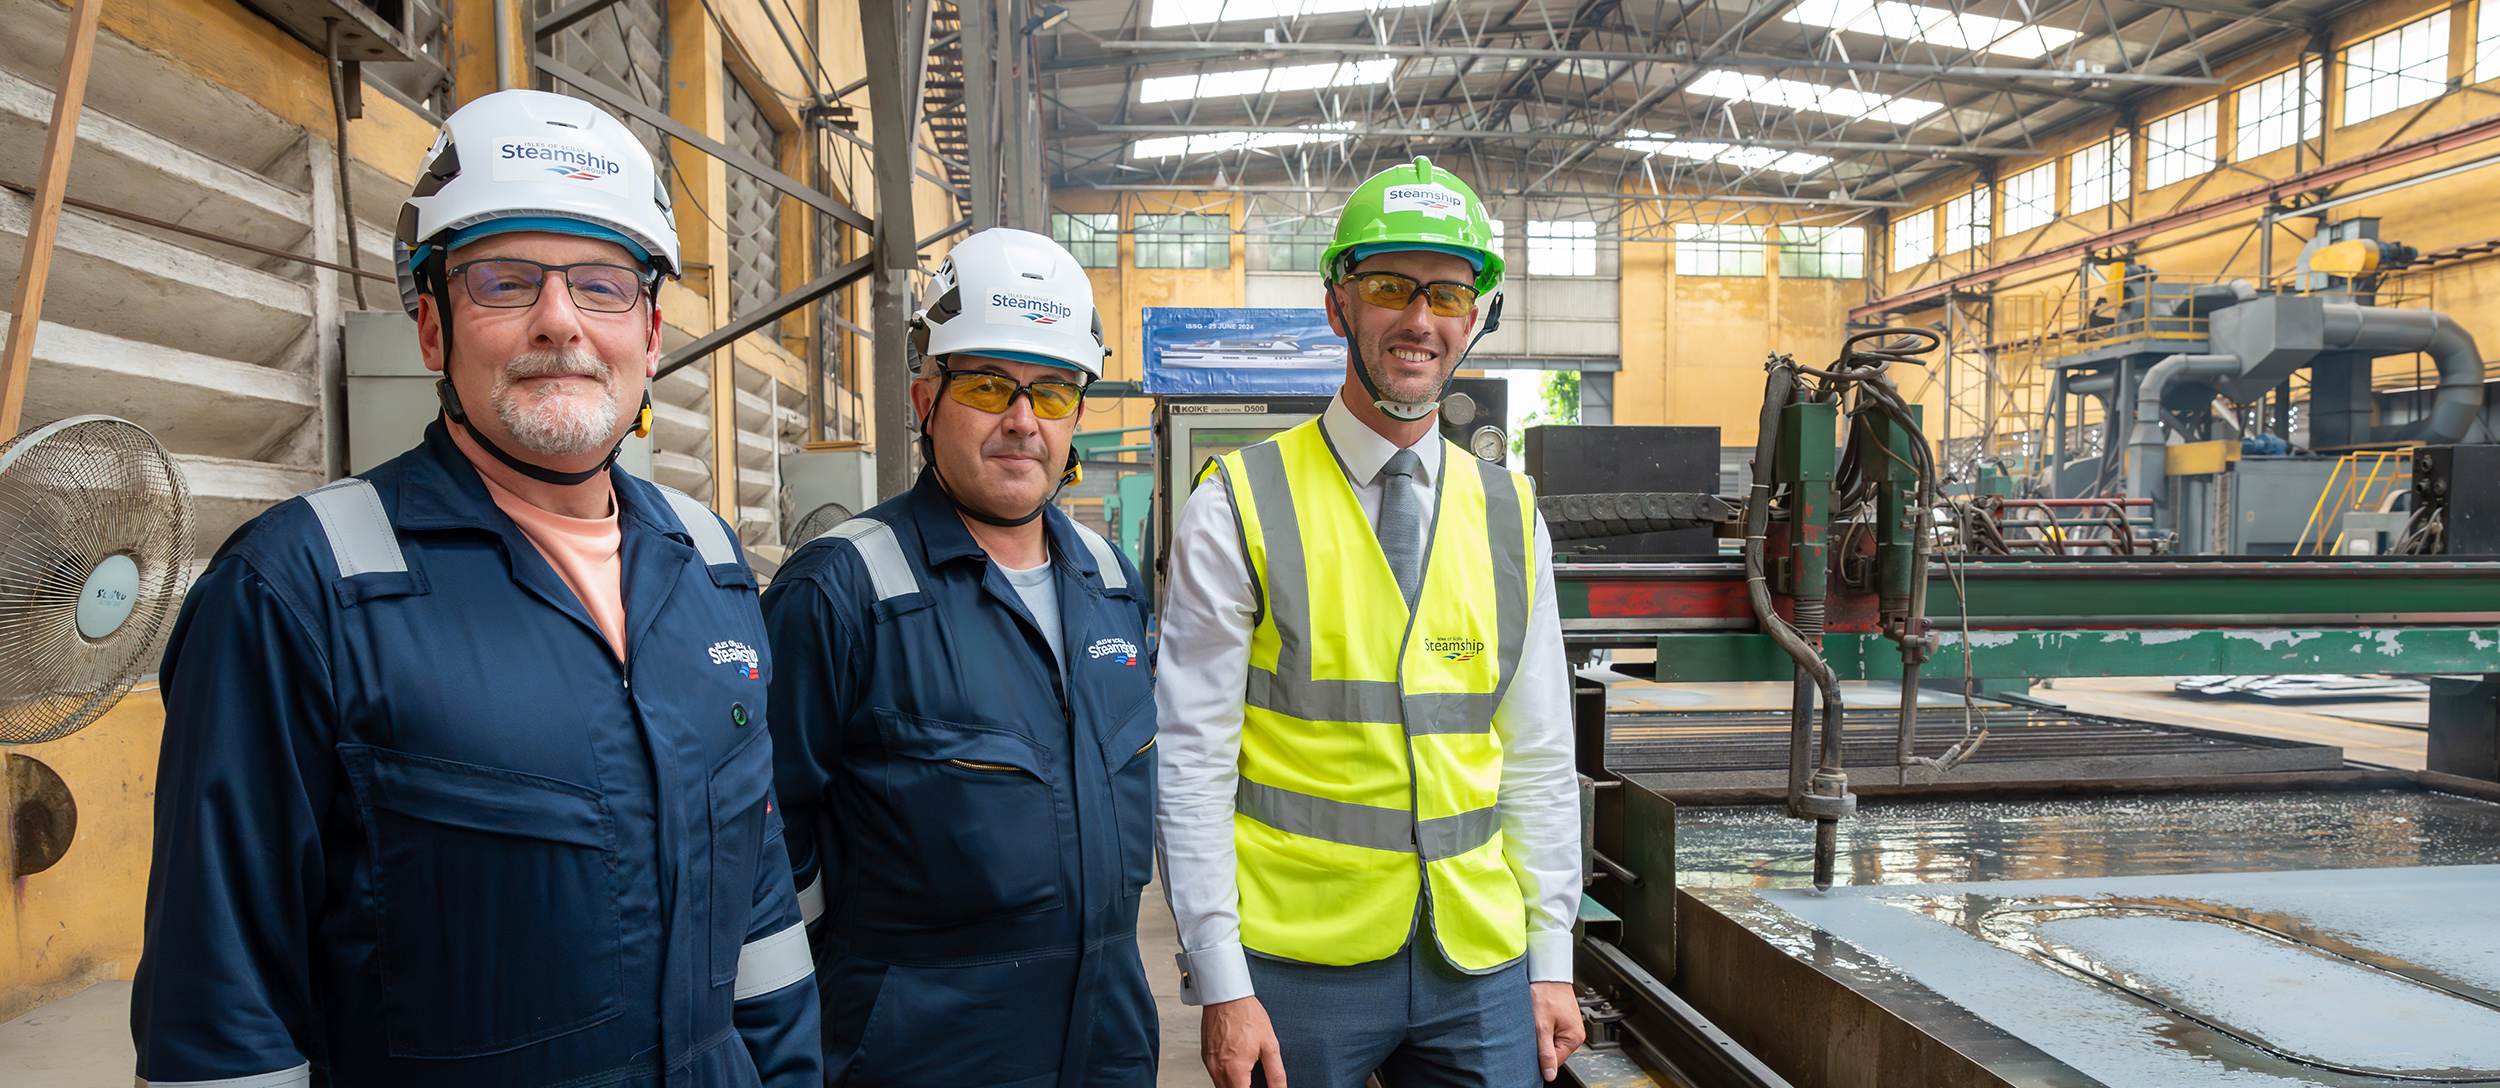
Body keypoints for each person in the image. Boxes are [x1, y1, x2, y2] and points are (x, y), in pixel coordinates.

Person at [131, 89, 820, 1088]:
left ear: (653, 335)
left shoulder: (709, 565)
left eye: (602, 284)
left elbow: (759, 912)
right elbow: (219, 1017)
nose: (559, 322)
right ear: (429, 328)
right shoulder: (298, 592)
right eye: (503, 282)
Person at [1155, 156, 1586, 1088]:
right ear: (1337, 304)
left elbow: (1543, 753)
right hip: (1296, 965)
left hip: (1476, 958)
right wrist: (1220, 980)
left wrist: (1553, 957)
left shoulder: (1512, 514)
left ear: (1475, 318)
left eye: (1447, 292)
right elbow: (1190, 763)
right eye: (1389, 286)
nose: (1419, 318)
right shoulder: (1238, 503)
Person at [761, 227, 1158, 1086]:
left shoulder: (1113, 583)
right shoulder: (842, 592)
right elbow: (767, 848)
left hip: (1104, 1045)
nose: (1022, 420)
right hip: (921, 1054)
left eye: (1052, 393)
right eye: (987, 385)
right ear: (925, 399)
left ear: (1077, 416)